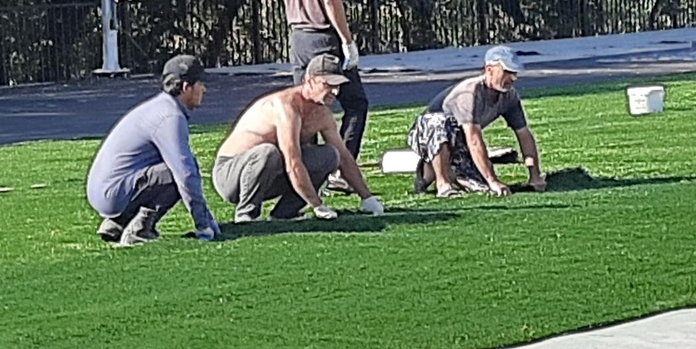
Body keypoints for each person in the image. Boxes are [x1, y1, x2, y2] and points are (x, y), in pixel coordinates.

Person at [211, 54, 385, 222]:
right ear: (309, 81)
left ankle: (285, 213)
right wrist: (317, 205)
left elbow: (344, 158)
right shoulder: (285, 107)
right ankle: (245, 215)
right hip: (230, 176)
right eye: (328, 85)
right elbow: (292, 161)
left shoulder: (323, 114)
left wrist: (367, 198)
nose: (335, 92)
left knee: (330, 155)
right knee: (268, 152)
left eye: (338, 86)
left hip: (269, 173)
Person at [86, 54, 220, 246]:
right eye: (200, 84)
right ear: (185, 87)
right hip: (114, 194)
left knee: (170, 170)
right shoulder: (170, 116)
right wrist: (204, 225)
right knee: (176, 173)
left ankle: (116, 223)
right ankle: (139, 230)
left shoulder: (159, 107)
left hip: (105, 192)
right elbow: (186, 174)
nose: (204, 89)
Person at [284, 0, 369, 188]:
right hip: (323, 38)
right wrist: (347, 40)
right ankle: (341, 172)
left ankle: (305, 176)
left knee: (305, 110)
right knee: (356, 103)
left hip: (298, 39)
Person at [407, 45, 547, 198]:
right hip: (427, 134)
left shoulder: (510, 97)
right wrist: (492, 180)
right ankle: (442, 183)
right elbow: (474, 140)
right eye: (507, 72)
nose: (512, 79)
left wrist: (535, 175)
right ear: (489, 70)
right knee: (438, 122)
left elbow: (524, 135)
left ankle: (433, 171)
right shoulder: (470, 92)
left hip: (460, 142)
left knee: (479, 187)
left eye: (514, 73)